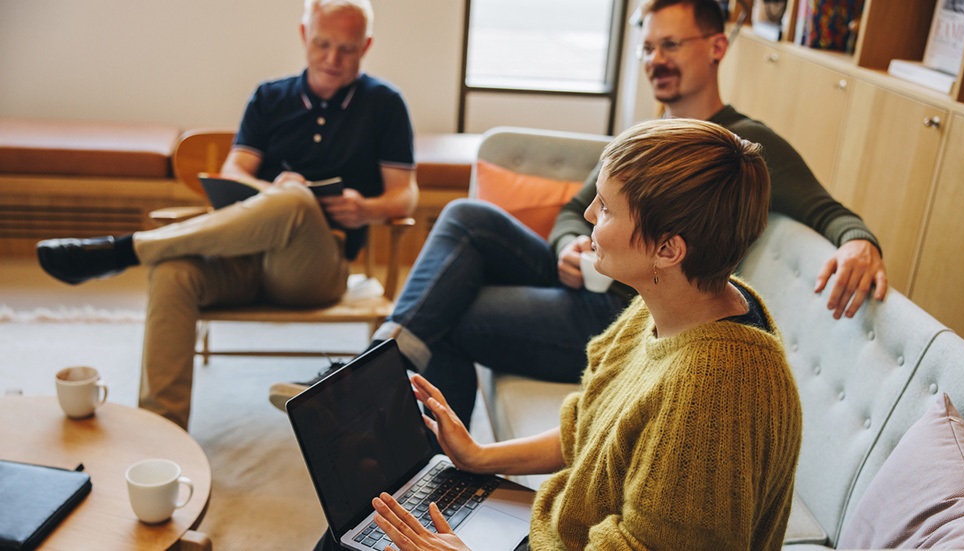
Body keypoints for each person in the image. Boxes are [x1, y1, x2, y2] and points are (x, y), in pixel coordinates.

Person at [269, 0, 886, 428]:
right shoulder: (644, 136)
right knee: (464, 216)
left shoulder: (741, 146)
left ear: (717, 46)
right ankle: (376, 370)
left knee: (445, 316)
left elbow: (833, 213)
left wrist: (858, 242)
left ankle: (403, 436)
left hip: (621, 313)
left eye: (672, 44)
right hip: (586, 278)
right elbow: (573, 211)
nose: (656, 59)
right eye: (648, 47)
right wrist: (569, 243)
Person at [362, 118, 803, 550]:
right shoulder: (673, 303)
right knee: (373, 518)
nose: (589, 214)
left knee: (372, 533)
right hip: (553, 529)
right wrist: (479, 455)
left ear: (668, 250)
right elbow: (590, 426)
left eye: (607, 208)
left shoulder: (712, 397)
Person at [35, 0, 417, 430]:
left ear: (366, 45)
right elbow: (235, 171)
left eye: (346, 49)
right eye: (322, 44)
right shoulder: (270, 96)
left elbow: (405, 196)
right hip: (243, 258)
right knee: (172, 272)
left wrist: (365, 208)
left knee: (296, 203)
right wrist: (274, 190)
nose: (332, 59)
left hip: (314, 270)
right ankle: (160, 432)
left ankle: (126, 249)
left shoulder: (385, 104)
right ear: (302, 35)